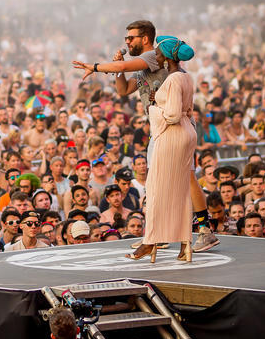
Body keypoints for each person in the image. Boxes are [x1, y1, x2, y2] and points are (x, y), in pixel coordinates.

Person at [72, 20, 217, 252]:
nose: (127, 41)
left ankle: (203, 230)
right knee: (163, 181)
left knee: (181, 178)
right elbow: (123, 90)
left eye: (131, 38)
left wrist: (96, 67)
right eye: (126, 38)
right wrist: (118, 67)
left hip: (173, 126)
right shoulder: (144, 67)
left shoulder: (152, 57)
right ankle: (162, 233)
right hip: (163, 129)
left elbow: (121, 70)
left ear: (146, 39)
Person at [123, 37, 197, 263]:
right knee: (181, 191)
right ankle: (185, 245)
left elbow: (172, 115)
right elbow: (186, 110)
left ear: (167, 56)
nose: (155, 55)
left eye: (158, 52)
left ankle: (150, 242)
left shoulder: (173, 79)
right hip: (186, 134)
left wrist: (154, 106)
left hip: (171, 136)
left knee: (155, 190)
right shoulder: (186, 76)